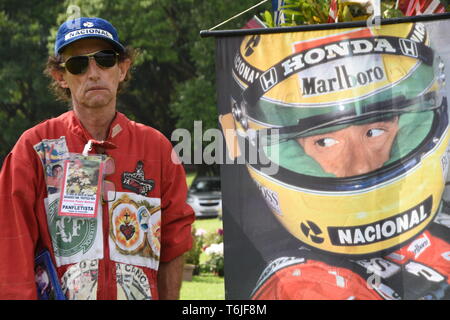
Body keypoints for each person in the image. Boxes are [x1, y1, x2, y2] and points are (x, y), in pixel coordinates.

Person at [221, 22, 450, 299]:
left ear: (416, 123)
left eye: (375, 131)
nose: (361, 165)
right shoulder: (300, 287)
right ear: (283, 151)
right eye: (325, 141)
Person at [0, 17, 195, 300]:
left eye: (105, 59)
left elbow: (174, 242)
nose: (93, 73)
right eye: (78, 64)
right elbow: (10, 246)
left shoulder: (158, 150)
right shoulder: (34, 148)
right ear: (60, 77)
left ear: (122, 68)